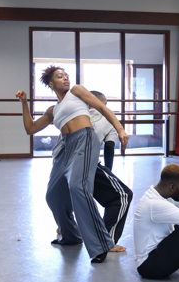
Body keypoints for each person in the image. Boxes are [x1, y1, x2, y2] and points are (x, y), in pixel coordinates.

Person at [15, 66, 128, 263]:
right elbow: (30, 129)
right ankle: (70, 236)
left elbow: (102, 108)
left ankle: (101, 244)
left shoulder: (76, 91)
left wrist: (120, 129)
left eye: (66, 75)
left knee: (78, 187)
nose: (65, 79)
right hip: (65, 148)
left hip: (84, 139)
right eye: (60, 77)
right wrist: (24, 103)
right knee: (53, 195)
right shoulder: (53, 110)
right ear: (51, 84)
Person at [54, 90, 132, 252]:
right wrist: (108, 172)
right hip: (87, 163)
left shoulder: (70, 112)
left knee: (72, 193)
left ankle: (66, 229)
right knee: (123, 195)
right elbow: (109, 147)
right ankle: (106, 240)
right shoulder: (103, 117)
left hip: (63, 164)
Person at [89, 91, 118, 170]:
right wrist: (108, 171)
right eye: (104, 104)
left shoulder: (74, 115)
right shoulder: (109, 119)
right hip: (90, 165)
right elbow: (109, 146)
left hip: (61, 163)